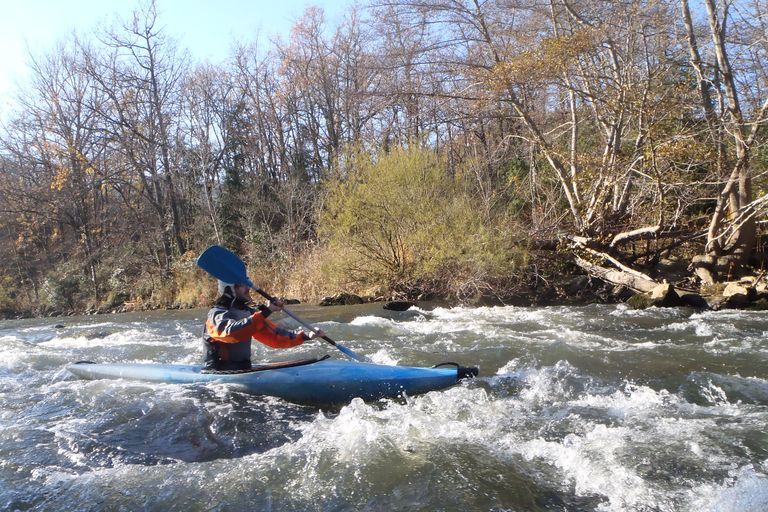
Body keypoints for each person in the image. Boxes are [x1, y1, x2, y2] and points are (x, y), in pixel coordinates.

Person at [203, 280, 324, 371]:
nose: (248, 288)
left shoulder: (248, 313)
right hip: (218, 373)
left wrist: (305, 336)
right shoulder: (216, 315)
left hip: (243, 369)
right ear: (229, 290)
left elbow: (275, 336)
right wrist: (267, 311)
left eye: (247, 284)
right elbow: (231, 333)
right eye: (242, 285)